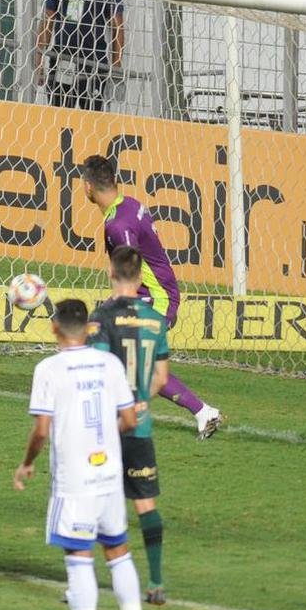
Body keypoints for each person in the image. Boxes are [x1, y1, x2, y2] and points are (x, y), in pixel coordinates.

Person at [13, 299, 144, 610]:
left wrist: (26, 463)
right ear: (88, 328)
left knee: (79, 558)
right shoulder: (109, 363)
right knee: (119, 552)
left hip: (75, 481)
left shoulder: (49, 369)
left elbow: (42, 430)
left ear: (54, 326)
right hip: (109, 477)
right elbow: (130, 420)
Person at [82, 154, 224, 438]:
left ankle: (199, 412)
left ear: (87, 186)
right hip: (158, 292)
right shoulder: (128, 206)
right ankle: (203, 412)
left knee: (126, 355)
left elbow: (129, 269)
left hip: (156, 298)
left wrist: (117, 303)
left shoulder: (118, 226)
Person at [89, 247, 172, 606]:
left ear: (111, 273)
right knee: (145, 504)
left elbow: (98, 371)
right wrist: (139, 401)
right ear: (140, 280)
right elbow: (161, 377)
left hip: (106, 427)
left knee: (92, 502)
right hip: (139, 426)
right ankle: (155, 582)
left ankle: (83, 581)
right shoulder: (156, 320)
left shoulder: (102, 316)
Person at [34, 0, 125, 112]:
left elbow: (117, 26)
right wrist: (39, 61)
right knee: (59, 113)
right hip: (62, 58)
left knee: (91, 115)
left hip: (94, 61)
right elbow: (47, 21)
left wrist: (116, 64)